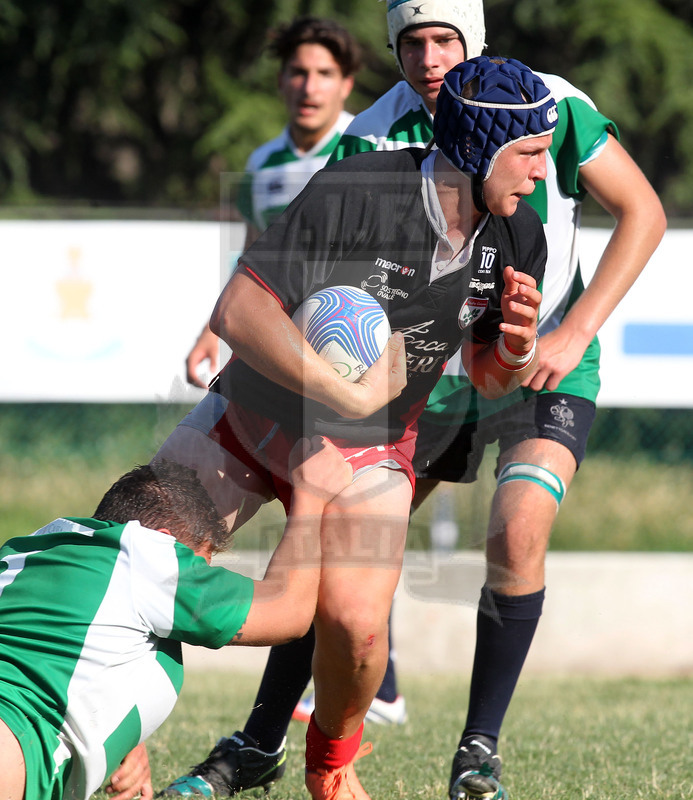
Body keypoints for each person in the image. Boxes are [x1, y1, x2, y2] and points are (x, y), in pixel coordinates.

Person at [207, 1, 667, 799]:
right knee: (345, 553)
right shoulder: (372, 137)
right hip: (422, 374)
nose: (429, 57)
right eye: (412, 41)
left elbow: (644, 211)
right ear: (392, 47)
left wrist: (565, 334)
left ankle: (476, 750)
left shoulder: (545, 102)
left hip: (543, 354)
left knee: (518, 527)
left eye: (444, 39)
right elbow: (311, 257)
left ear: (473, 41)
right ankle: (259, 739)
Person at [155, 55, 555, 800]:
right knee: (142, 561)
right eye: (529, 152)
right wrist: (337, 385)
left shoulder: (516, 232)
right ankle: (112, 748)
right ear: (479, 146)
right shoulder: (358, 188)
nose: (541, 171)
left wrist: (514, 347)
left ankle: (330, 766)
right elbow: (239, 312)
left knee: (356, 627)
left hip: (370, 449)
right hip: (252, 418)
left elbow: (487, 375)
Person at [0, 441, 353, 800]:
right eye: (201, 562)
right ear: (167, 543)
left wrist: (121, 739)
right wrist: (311, 496)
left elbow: (55, 649)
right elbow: (289, 613)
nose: (199, 574)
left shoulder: (30, 548)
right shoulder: (148, 552)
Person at [185, 16, 361, 389]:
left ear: (346, 85)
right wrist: (213, 327)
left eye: (324, 73)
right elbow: (252, 254)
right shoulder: (261, 163)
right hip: (277, 340)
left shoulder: (365, 146)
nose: (309, 87)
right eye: (298, 72)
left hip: (351, 341)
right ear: (281, 80)